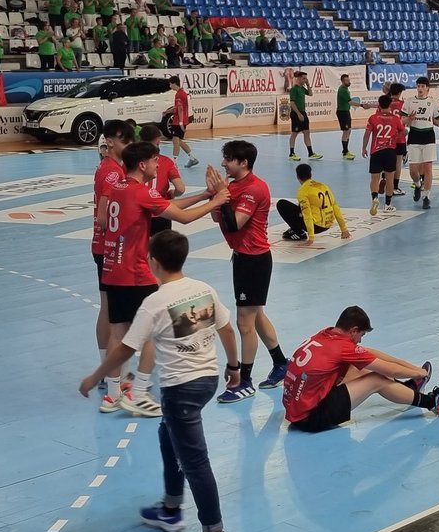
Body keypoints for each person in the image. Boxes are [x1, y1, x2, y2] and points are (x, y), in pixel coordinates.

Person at [80, 230, 240, 532]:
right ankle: (170, 508)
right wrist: (235, 366)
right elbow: (226, 328)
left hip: (181, 389)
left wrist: (96, 376)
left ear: (152, 261)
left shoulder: (155, 301)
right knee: (167, 435)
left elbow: (125, 347)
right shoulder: (203, 289)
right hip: (207, 380)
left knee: (195, 462)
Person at [98, 141, 228, 417]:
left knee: (117, 332)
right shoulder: (139, 192)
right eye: (155, 161)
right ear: (143, 164)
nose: (159, 166)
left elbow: (166, 205)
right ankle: (141, 392)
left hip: (112, 269)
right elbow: (182, 218)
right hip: (135, 273)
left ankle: (112, 395)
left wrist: (205, 194)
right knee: (151, 333)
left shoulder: (118, 188)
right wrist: (216, 201)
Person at [283, 305, 439, 433]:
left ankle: (408, 389)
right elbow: (390, 371)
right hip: (311, 418)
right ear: (353, 330)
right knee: (377, 379)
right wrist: (420, 373)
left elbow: (368, 354)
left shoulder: (326, 335)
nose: (360, 340)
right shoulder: (343, 348)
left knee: (359, 366)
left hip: (296, 411)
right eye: (361, 335)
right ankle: (433, 403)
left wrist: (412, 368)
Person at [208, 140, 292, 402]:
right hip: (243, 258)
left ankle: (245, 381)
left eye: (228, 159)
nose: (224, 164)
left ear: (243, 162)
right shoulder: (234, 186)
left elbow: (234, 225)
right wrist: (216, 195)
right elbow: (216, 217)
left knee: (244, 322)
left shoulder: (254, 189)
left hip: (254, 261)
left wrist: (221, 196)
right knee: (256, 316)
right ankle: (281, 364)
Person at [91, 120, 135, 394]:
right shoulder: (110, 173)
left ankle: (108, 368)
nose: (126, 148)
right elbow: (104, 216)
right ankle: (108, 370)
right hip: (108, 248)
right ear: (111, 141)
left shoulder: (113, 169)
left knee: (109, 306)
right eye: (124, 142)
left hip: (107, 247)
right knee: (111, 309)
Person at [277, 163, 351, 244]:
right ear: (310, 174)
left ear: (297, 176)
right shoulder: (324, 186)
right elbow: (335, 207)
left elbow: (307, 214)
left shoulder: (302, 191)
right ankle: (299, 229)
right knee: (301, 206)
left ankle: (298, 232)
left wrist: (311, 237)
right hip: (328, 224)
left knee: (281, 204)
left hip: (316, 226)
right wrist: (344, 229)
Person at [405, 76, 439, 210]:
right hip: (414, 136)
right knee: (413, 170)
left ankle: (426, 196)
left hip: (428, 136)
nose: (420, 88)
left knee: (428, 168)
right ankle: (417, 184)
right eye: (418, 86)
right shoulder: (409, 102)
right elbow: (402, 121)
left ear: (427, 88)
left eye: (423, 86)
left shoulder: (432, 102)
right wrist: (409, 119)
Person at [140, 124, 185, 235]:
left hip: (139, 212)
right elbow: (180, 188)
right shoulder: (166, 162)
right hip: (161, 213)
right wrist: (172, 193)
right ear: (158, 141)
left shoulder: (133, 161)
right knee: (162, 249)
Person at [363, 94, 403, 215]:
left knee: (375, 178)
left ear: (379, 105)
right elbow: (403, 131)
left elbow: (367, 134)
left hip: (376, 151)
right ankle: (388, 204)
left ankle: (374, 198)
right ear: (390, 105)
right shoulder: (395, 119)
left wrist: (363, 148)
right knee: (389, 178)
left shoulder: (373, 118)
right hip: (390, 151)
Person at [163, 75, 200, 168]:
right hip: (180, 120)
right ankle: (192, 158)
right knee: (178, 141)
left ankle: (173, 163)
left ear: (174, 83)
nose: (169, 86)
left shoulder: (179, 94)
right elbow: (177, 107)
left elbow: (180, 109)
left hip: (178, 121)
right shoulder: (182, 93)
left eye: (170, 84)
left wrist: (180, 123)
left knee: (175, 141)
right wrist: (167, 111)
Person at [288, 71, 321, 161]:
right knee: (294, 133)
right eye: (303, 78)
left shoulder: (302, 88)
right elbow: (292, 103)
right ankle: (291, 153)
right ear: (298, 78)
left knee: (307, 132)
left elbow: (310, 94)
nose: (305, 80)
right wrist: (298, 114)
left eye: (306, 78)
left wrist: (308, 84)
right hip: (296, 113)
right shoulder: (294, 89)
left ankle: (310, 153)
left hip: (303, 113)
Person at [336, 73, 355, 159]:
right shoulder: (343, 90)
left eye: (349, 80)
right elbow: (350, 102)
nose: (349, 82)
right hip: (342, 112)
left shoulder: (345, 89)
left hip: (346, 111)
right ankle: (345, 152)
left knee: (349, 130)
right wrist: (362, 105)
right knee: (346, 131)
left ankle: (345, 150)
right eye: (347, 81)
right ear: (342, 81)